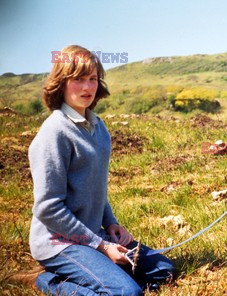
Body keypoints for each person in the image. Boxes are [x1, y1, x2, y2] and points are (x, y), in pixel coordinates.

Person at [26, 45, 175, 295]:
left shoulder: (98, 128)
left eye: (93, 79)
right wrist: (102, 247)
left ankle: (98, 272)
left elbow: (94, 186)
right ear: (61, 83)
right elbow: (47, 208)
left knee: (163, 270)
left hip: (92, 235)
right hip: (58, 243)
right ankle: (48, 282)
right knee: (127, 293)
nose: (87, 87)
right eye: (78, 79)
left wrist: (111, 223)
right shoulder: (54, 133)